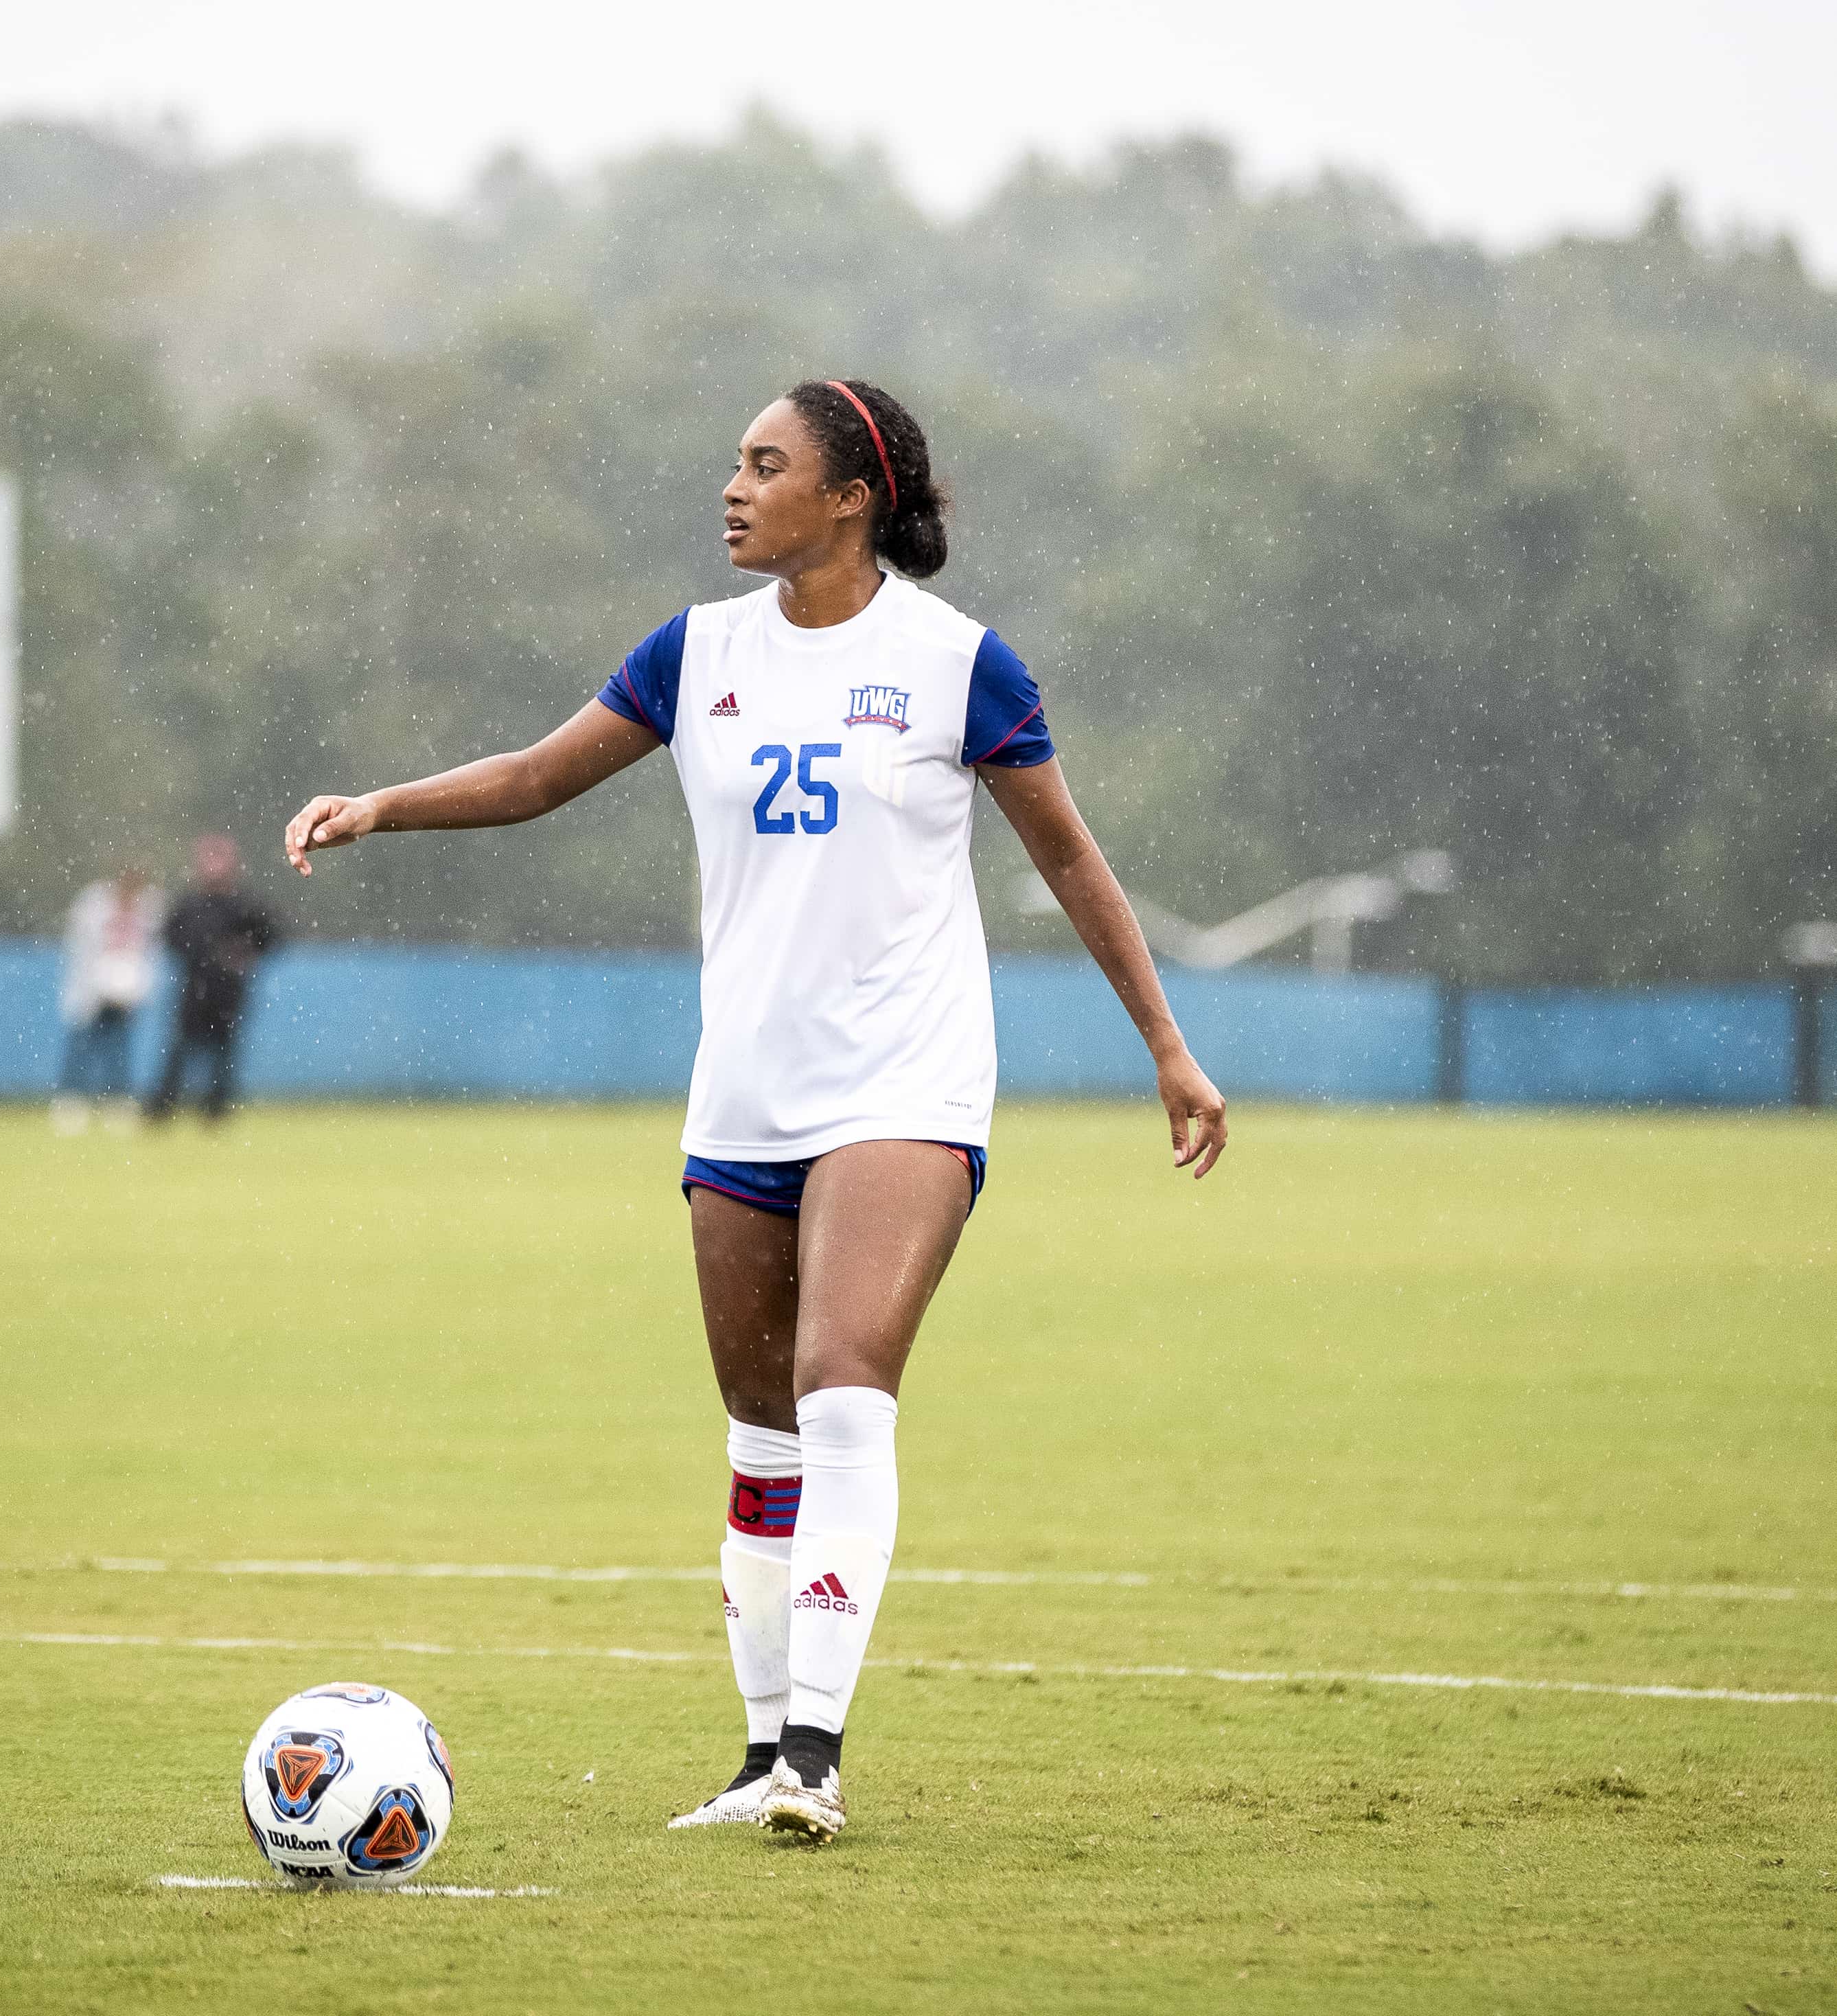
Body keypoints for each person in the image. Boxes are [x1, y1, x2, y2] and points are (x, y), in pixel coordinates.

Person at [284, 378, 1227, 1844]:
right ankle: (756, 1756)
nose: (731, 485)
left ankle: (817, 1757)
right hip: (745, 1087)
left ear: (850, 496)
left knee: (844, 1381)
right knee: (761, 1426)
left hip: (905, 1081)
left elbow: (1072, 859)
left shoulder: (955, 665)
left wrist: (1167, 1044)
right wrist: (381, 804)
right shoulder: (696, 651)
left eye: (764, 463)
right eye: (733, 461)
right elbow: (539, 777)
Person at [144, 835, 280, 1125]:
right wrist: (201, 954)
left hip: (229, 991)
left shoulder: (245, 905)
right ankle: (162, 1109)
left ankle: (215, 1111)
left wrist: (244, 953)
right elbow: (170, 937)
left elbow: (271, 937)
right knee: (179, 1052)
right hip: (194, 989)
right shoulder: (189, 904)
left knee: (224, 1055)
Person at [54, 864, 161, 1132]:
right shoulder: (95, 905)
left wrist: (136, 988)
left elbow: (150, 953)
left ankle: (116, 1103)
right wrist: (94, 985)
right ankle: (72, 1104)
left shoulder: (148, 909)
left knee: (119, 1051)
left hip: (125, 993)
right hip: (90, 991)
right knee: (81, 1049)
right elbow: (82, 949)